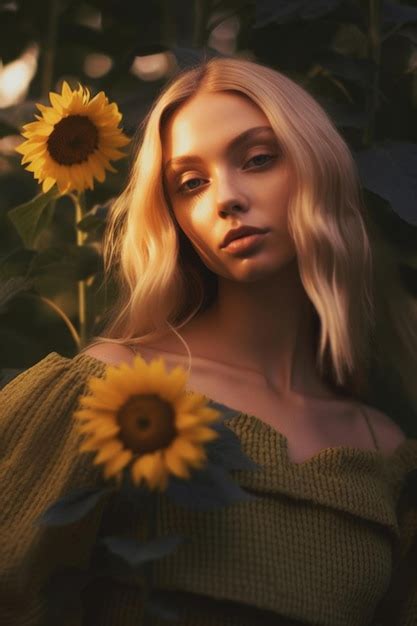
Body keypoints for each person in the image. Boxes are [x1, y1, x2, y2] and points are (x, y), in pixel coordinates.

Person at [1, 56, 416, 626]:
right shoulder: (110, 389)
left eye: (259, 159)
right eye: (190, 183)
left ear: (319, 165)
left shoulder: (384, 452)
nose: (226, 199)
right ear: (172, 216)